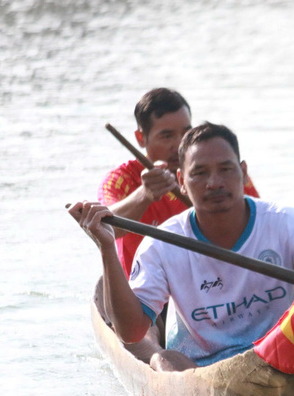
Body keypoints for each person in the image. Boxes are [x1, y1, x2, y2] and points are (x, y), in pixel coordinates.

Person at [71, 123, 294, 372]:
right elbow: (131, 333)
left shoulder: (286, 222)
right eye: (200, 173)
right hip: (203, 369)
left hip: (280, 357)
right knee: (166, 361)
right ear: (181, 182)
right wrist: (107, 249)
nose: (215, 183)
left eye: (226, 170)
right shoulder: (160, 244)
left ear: (243, 173)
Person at [98, 88, 259, 278]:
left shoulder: (224, 175)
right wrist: (145, 194)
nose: (180, 144)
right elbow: (104, 229)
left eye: (186, 132)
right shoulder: (121, 179)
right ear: (141, 138)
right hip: (145, 289)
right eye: (167, 136)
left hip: (212, 281)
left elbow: (258, 226)